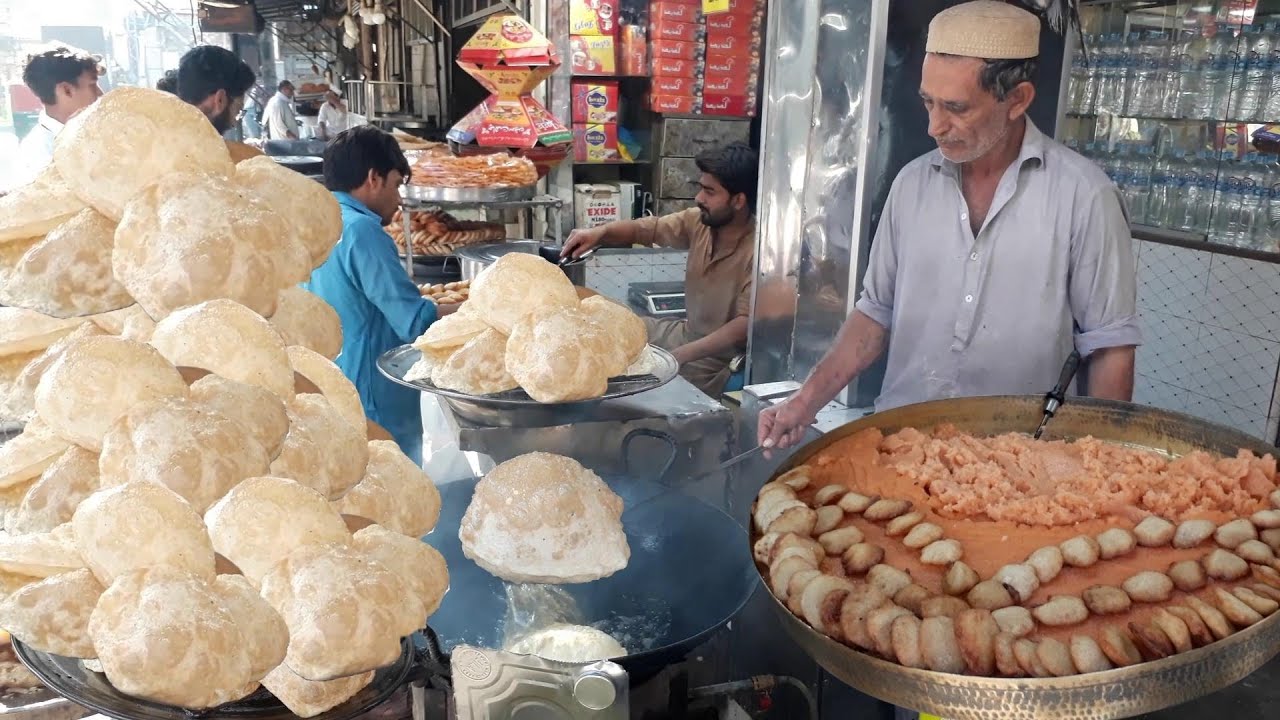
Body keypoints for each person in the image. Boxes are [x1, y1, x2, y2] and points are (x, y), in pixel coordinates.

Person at [758, 0, 1141, 454]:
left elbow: (1110, 347)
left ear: (1016, 99)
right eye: (928, 102)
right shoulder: (911, 185)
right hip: (903, 443)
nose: (935, 126)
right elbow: (873, 316)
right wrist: (803, 404)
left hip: (1021, 458)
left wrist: (1100, 464)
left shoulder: (1084, 196)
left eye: (956, 108)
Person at [303, 126, 454, 465]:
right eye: (397, 184)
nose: (399, 199)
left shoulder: (318, 223)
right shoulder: (363, 232)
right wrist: (474, 307)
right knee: (393, 491)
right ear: (374, 178)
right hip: (374, 398)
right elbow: (414, 321)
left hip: (332, 385)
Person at [561, 142, 758, 396]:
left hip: (717, 360)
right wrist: (600, 232)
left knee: (641, 386)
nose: (699, 198)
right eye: (700, 188)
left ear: (738, 200)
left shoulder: (759, 252)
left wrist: (679, 356)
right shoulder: (699, 222)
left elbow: (744, 327)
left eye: (710, 192)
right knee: (610, 327)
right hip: (686, 334)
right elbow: (648, 228)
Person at [7, 45, 102, 190]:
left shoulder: (97, 129)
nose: (101, 94)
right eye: (92, 85)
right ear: (66, 90)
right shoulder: (39, 159)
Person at [175, 45, 261, 162]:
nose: (234, 123)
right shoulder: (241, 161)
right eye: (238, 111)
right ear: (220, 100)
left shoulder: (156, 148)